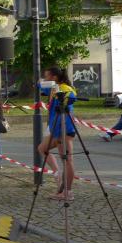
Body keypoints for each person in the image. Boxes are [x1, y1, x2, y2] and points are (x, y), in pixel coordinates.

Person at [37, 66, 77, 200]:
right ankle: (57, 174)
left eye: (47, 76)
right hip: (55, 126)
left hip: (64, 127)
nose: (45, 78)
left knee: (67, 160)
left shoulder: (64, 88)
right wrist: (41, 82)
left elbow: (72, 97)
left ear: (54, 77)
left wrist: (63, 97)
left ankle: (67, 192)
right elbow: (39, 84)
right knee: (42, 148)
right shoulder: (54, 87)